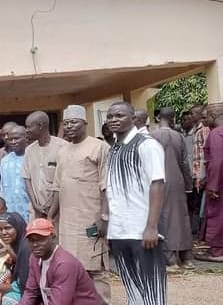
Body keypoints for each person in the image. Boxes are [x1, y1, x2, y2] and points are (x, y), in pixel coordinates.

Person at [48, 105, 111, 304]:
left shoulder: (99, 147)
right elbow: (58, 187)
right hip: (67, 224)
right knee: (72, 267)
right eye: (66, 123)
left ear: (85, 123)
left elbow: (106, 186)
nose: (69, 127)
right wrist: (50, 217)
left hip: (91, 220)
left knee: (95, 268)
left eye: (73, 122)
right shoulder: (62, 151)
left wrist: (104, 217)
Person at [105, 101, 166, 305]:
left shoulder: (147, 145)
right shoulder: (113, 149)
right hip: (119, 230)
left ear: (133, 119)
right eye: (110, 116)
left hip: (142, 230)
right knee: (131, 288)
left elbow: (157, 183)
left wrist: (151, 227)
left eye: (120, 115)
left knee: (152, 291)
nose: (114, 120)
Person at [19, 218, 102, 305]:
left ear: (53, 237)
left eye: (41, 239)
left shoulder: (64, 264)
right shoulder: (35, 258)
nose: (35, 245)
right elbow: (30, 292)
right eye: (31, 240)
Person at [150, 107, 195, 271]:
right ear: (173, 118)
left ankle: (171, 260)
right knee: (182, 218)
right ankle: (187, 257)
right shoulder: (179, 136)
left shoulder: (151, 137)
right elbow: (185, 163)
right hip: (177, 181)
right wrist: (188, 185)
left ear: (157, 118)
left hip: (158, 181)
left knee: (164, 218)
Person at [22, 111, 66, 219]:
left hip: (59, 210)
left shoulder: (63, 147)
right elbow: (27, 179)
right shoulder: (29, 150)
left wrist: (52, 210)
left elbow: (63, 183)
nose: (26, 130)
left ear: (40, 126)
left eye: (29, 127)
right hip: (37, 210)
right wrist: (35, 205)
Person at [200, 103, 223, 261]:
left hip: (219, 183)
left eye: (206, 115)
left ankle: (218, 251)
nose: (204, 119)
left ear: (214, 116)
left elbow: (216, 161)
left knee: (217, 215)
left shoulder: (216, 134)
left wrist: (212, 185)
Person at [0, 126, 30, 220]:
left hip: (30, 210)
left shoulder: (32, 157)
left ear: (26, 138)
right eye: (10, 139)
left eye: (16, 138)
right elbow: (2, 188)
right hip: (10, 211)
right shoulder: (5, 160)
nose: (13, 142)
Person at [191, 104, 210, 239]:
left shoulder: (204, 130)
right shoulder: (196, 130)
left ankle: (205, 236)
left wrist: (202, 176)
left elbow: (204, 155)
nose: (191, 116)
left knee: (204, 206)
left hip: (203, 175)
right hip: (199, 174)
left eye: (193, 114)